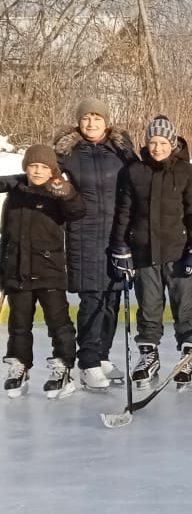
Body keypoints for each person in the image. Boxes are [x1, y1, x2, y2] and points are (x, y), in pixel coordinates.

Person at [110, 116, 192, 389]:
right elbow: (124, 212)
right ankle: (148, 356)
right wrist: (120, 246)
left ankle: (188, 355)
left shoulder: (188, 172)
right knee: (149, 308)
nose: (157, 147)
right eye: (152, 141)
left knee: (184, 308)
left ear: (172, 143)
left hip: (179, 253)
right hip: (144, 253)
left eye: (163, 142)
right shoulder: (134, 172)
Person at [54, 99, 137, 390]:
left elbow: (142, 178)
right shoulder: (67, 152)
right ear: (79, 121)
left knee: (112, 298)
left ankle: (101, 356)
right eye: (86, 118)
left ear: (106, 121)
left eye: (96, 118)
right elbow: (40, 176)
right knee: (92, 299)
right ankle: (87, 363)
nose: (91, 123)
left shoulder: (121, 149)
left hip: (116, 232)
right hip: (83, 233)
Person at [1, 145, 86, 398]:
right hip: (18, 272)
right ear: (25, 167)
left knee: (58, 323)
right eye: (33, 166)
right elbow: (6, 237)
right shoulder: (15, 196)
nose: (37, 171)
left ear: (52, 171)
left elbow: (78, 210)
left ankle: (63, 367)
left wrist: (67, 194)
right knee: (18, 324)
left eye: (43, 167)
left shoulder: (56, 195)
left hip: (49, 271)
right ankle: (19, 366)